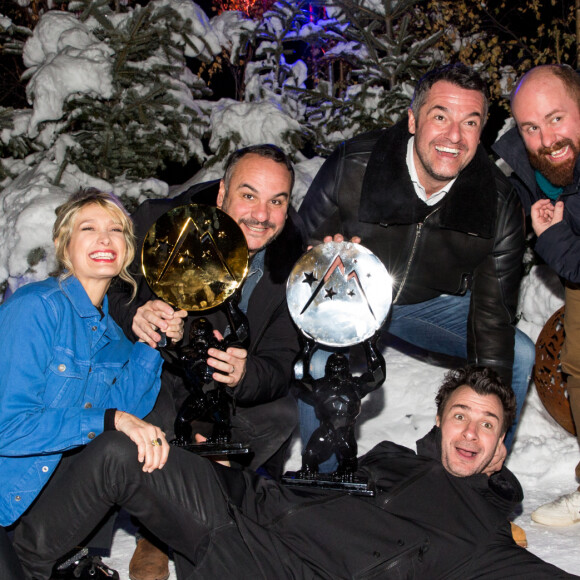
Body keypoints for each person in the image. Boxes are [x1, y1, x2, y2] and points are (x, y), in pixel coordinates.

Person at [11, 366, 579, 579]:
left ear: (500, 446)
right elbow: (304, 488)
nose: (470, 434)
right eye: (461, 415)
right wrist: (220, 470)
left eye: (487, 425)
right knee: (123, 450)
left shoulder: (480, 528)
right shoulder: (390, 459)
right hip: (247, 516)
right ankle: (20, 567)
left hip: (282, 571)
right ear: (438, 420)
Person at [297, 63, 535, 466]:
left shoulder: (497, 202)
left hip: (425, 304)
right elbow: (297, 254)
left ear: (482, 132)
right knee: (319, 362)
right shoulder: (354, 166)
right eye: (440, 116)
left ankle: (474, 473)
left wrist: (490, 421)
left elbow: (493, 317)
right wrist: (322, 261)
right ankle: (325, 486)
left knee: (521, 353)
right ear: (413, 119)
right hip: (355, 300)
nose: (453, 137)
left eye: (470, 123)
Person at [107, 144, 305, 579]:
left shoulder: (294, 264)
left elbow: (278, 361)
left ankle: (205, 509)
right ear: (221, 195)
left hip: (218, 388)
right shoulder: (163, 223)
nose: (261, 214)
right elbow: (109, 287)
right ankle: (160, 530)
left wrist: (246, 372)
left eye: (277, 201)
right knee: (154, 418)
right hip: (155, 373)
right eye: (248, 195)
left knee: (279, 414)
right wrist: (133, 313)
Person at [0, 190, 172, 579]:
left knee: (119, 447)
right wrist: (109, 419)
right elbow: (5, 428)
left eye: (116, 230)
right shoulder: (35, 308)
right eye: (89, 228)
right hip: (5, 502)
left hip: (42, 515)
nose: (105, 239)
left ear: (127, 250)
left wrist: (152, 340)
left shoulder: (113, 335)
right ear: (64, 244)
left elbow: (128, 406)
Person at [493, 64, 580, 526]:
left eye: (556, 118)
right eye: (531, 126)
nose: (546, 138)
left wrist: (553, 238)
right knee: (578, 369)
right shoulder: (528, 167)